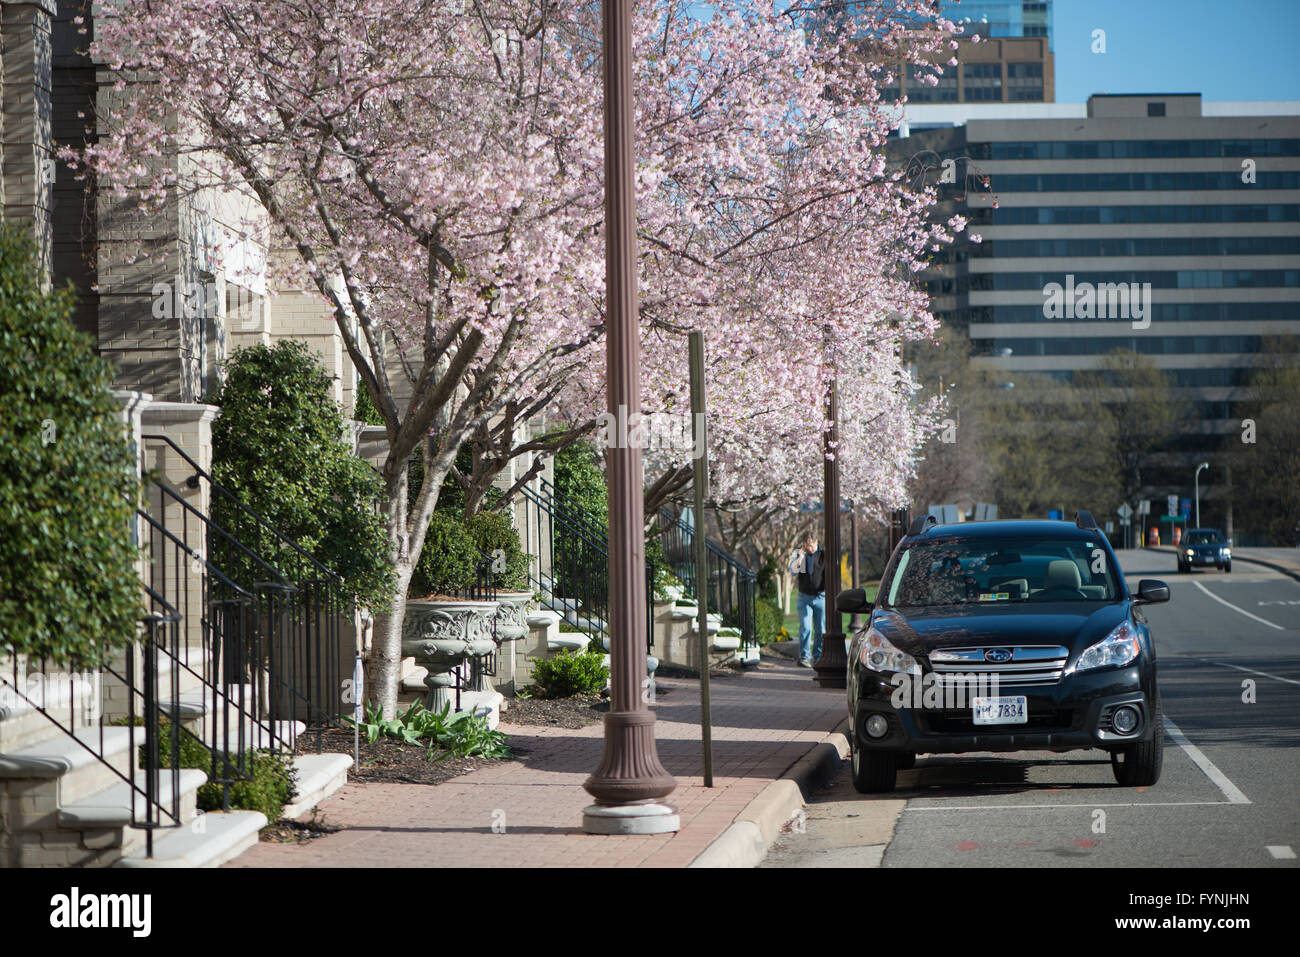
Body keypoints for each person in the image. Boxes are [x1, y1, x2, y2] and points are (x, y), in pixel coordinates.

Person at [788, 534, 826, 667]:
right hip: (804, 597)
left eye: (810, 545)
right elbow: (792, 571)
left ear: (816, 542)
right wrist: (800, 559)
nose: (807, 548)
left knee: (821, 629)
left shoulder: (823, 555)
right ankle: (804, 657)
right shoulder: (799, 554)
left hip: (820, 597)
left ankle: (818, 657)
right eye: (805, 545)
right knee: (806, 627)